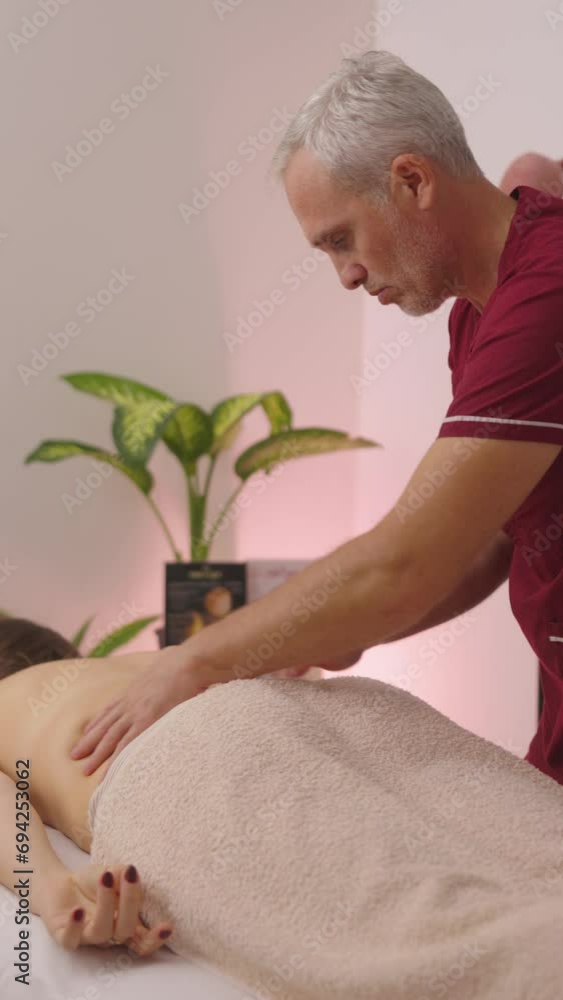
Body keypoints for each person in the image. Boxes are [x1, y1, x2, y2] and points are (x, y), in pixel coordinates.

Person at [71, 50, 563, 787]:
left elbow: (404, 563)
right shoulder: (475, 313)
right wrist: (333, 630)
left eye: (340, 238)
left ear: (412, 180)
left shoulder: (547, 287)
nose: (346, 275)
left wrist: (194, 660)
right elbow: (487, 538)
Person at [6, 617, 563, 1000]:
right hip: (346, 708)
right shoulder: (143, 663)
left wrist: (49, 887)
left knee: (460, 944)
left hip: (185, 763)